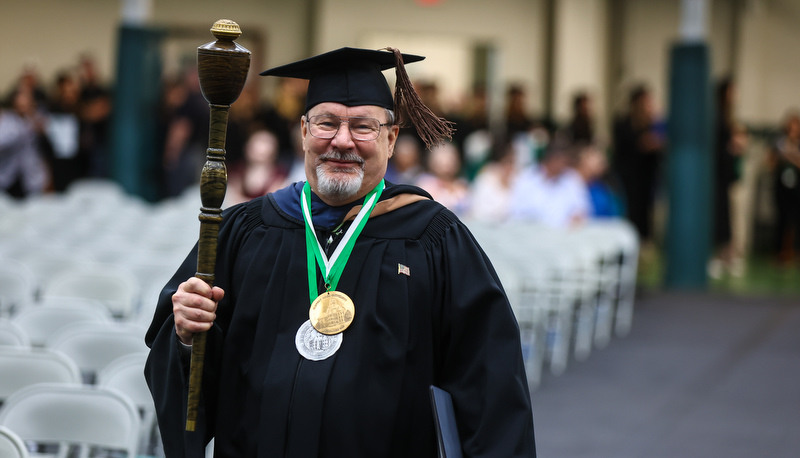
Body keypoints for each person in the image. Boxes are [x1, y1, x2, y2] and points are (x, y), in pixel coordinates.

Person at [145, 47, 536, 457]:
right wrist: (187, 336)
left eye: (364, 127)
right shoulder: (244, 232)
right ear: (302, 131)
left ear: (391, 138)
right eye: (326, 123)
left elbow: (490, 383)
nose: (342, 141)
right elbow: (186, 376)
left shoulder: (434, 240)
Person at [509, 138, 591, 228]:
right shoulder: (526, 178)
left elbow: (582, 211)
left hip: (564, 237)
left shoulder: (572, 179)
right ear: (551, 160)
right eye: (563, 162)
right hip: (531, 235)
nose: (565, 166)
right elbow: (516, 212)